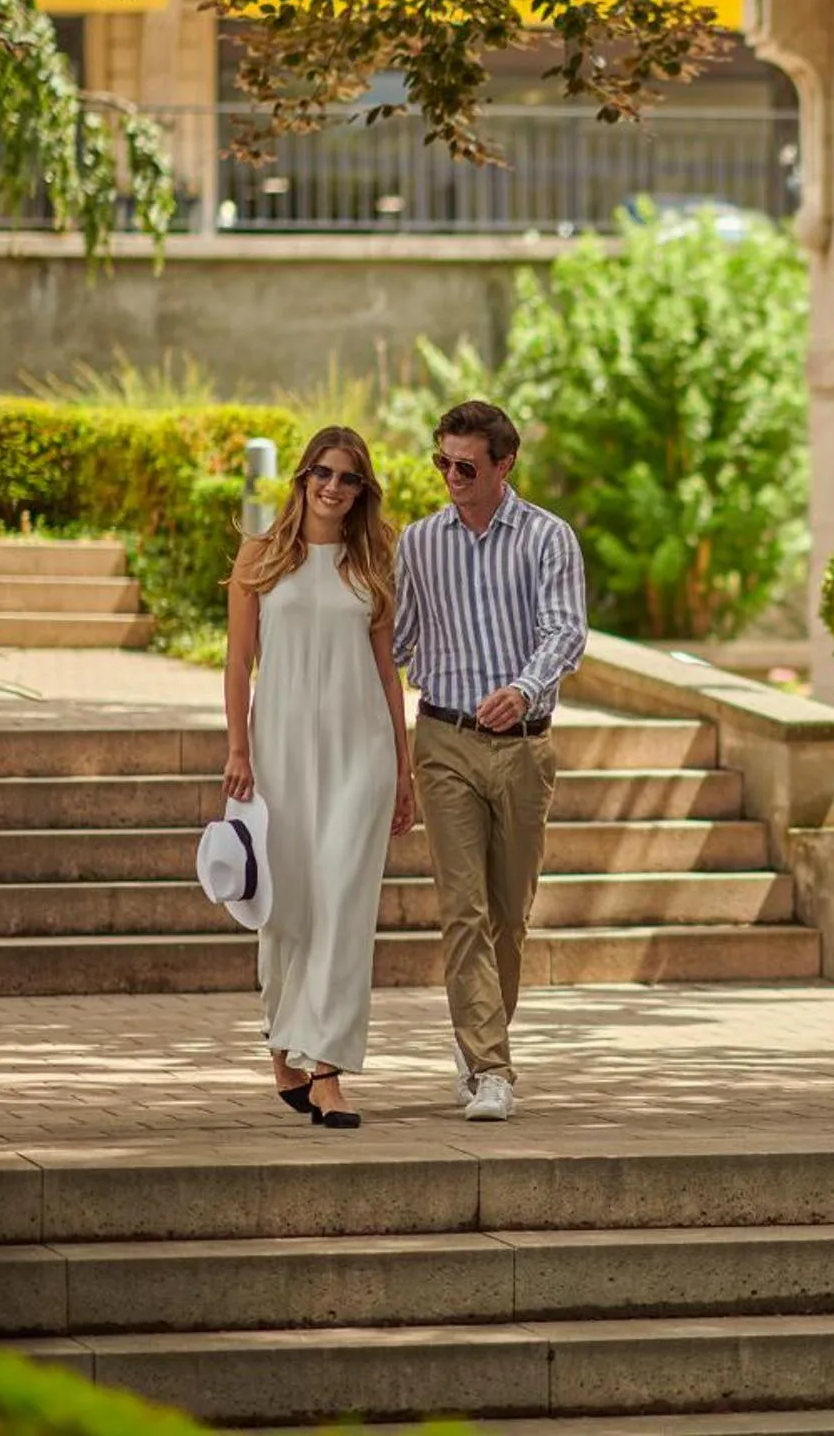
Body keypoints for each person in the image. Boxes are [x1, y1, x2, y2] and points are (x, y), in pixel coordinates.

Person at [393, 400, 588, 1123]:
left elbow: (566, 633)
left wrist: (524, 687)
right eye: (441, 462)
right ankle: (491, 1066)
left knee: (509, 916)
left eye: (466, 465)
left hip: (524, 749)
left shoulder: (547, 538)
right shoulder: (418, 543)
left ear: (504, 465)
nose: (451, 476)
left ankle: (477, 1035)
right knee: (463, 912)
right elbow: (398, 642)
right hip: (442, 740)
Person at [221, 426, 416, 1130]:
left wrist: (403, 765)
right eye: (322, 474)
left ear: (363, 491)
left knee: (343, 904)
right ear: (301, 479)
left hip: (359, 750)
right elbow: (239, 663)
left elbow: (387, 672)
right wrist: (239, 750)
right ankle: (282, 1041)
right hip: (279, 752)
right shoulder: (261, 556)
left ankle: (328, 1068)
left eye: (349, 478)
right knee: (289, 904)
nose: (334, 487)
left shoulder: (370, 564)